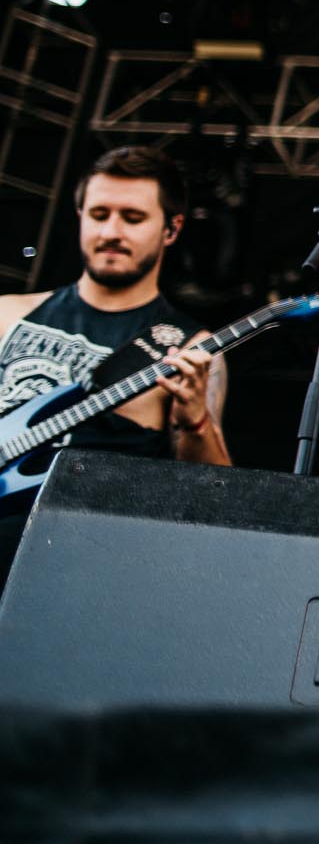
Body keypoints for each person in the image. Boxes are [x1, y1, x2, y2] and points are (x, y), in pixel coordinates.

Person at [0, 146, 229, 583]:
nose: (111, 231)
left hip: (77, 572)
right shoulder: (7, 316)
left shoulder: (189, 349)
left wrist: (196, 421)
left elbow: (214, 502)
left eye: (133, 218)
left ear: (172, 228)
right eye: (99, 213)